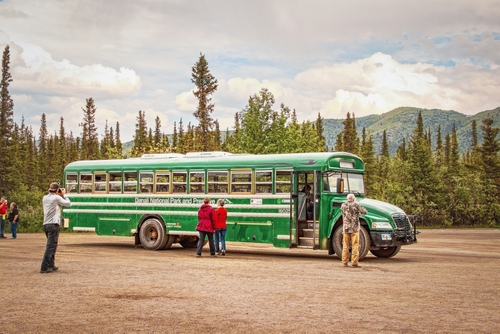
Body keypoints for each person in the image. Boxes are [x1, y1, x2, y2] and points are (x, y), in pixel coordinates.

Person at [40, 182, 71, 273]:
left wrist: (58, 193)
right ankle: (44, 267)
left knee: (52, 245)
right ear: (57, 190)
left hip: (46, 224)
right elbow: (68, 204)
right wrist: (64, 195)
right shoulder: (57, 198)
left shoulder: (45, 198)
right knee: (51, 246)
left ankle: (51, 264)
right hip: (54, 224)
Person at [340, 193, 367, 268]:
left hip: (346, 228)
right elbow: (364, 212)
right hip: (355, 228)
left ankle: (345, 262)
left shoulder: (343, 205)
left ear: (347, 199)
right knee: (355, 245)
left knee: (345, 245)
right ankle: (354, 263)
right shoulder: (356, 205)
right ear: (353, 198)